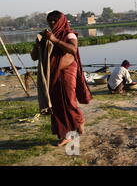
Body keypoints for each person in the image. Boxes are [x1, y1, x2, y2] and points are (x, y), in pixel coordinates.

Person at [30, 11, 92, 147]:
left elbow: (73, 50)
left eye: (54, 20)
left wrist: (55, 40)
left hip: (67, 72)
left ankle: (79, 120)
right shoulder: (45, 36)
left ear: (61, 21)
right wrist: (37, 45)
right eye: (49, 20)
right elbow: (34, 57)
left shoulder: (68, 34)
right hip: (50, 75)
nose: (52, 23)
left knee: (69, 101)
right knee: (56, 105)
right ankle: (65, 135)